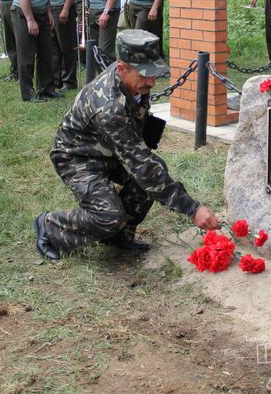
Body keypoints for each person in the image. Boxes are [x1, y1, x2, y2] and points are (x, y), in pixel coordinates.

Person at [34, 29, 220, 260]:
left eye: (155, 74)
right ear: (121, 68)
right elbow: (142, 166)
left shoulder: (132, 80)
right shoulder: (109, 108)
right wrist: (193, 209)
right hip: (77, 158)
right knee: (110, 214)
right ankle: (51, 226)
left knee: (152, 176)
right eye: (144, 75)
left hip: (110, 152)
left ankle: (118, 236)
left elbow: (144, 163)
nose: (151, 82)